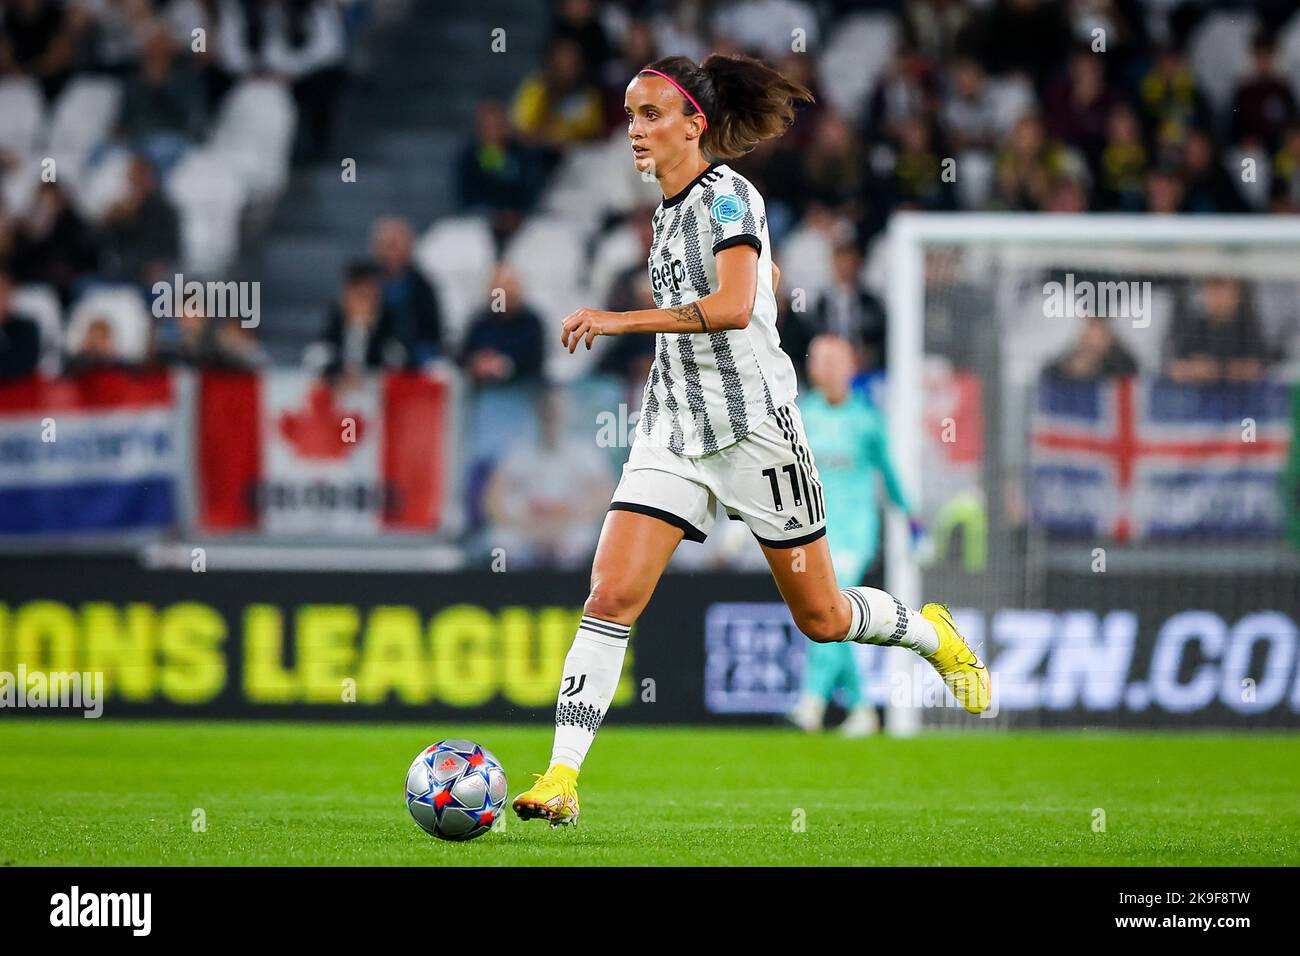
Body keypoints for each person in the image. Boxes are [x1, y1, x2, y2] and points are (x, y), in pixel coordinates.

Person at [511, 53, 990, 828]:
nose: (634, 130)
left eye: (651, 115)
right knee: (610, 594)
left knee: (824, 618)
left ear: (693, 125)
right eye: (630, 114)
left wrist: (618, 319)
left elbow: (735, 306)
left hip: (757, 436)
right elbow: (755, 294)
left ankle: (927, 630)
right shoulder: (666, 213)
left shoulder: (730, 195)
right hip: (671, 431)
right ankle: (561, 777)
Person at [789, 335, 918, 738]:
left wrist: (913, 520)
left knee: (832, 602)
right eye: (821, 359)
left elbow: (890, 474)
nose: (826, 367)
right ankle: (861, 707)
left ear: (851, 367)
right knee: (827, 617)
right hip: (810, 534)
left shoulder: (867, 420)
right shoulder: (800, 414)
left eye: (836, 360)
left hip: (855, 532)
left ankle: (811, 702)